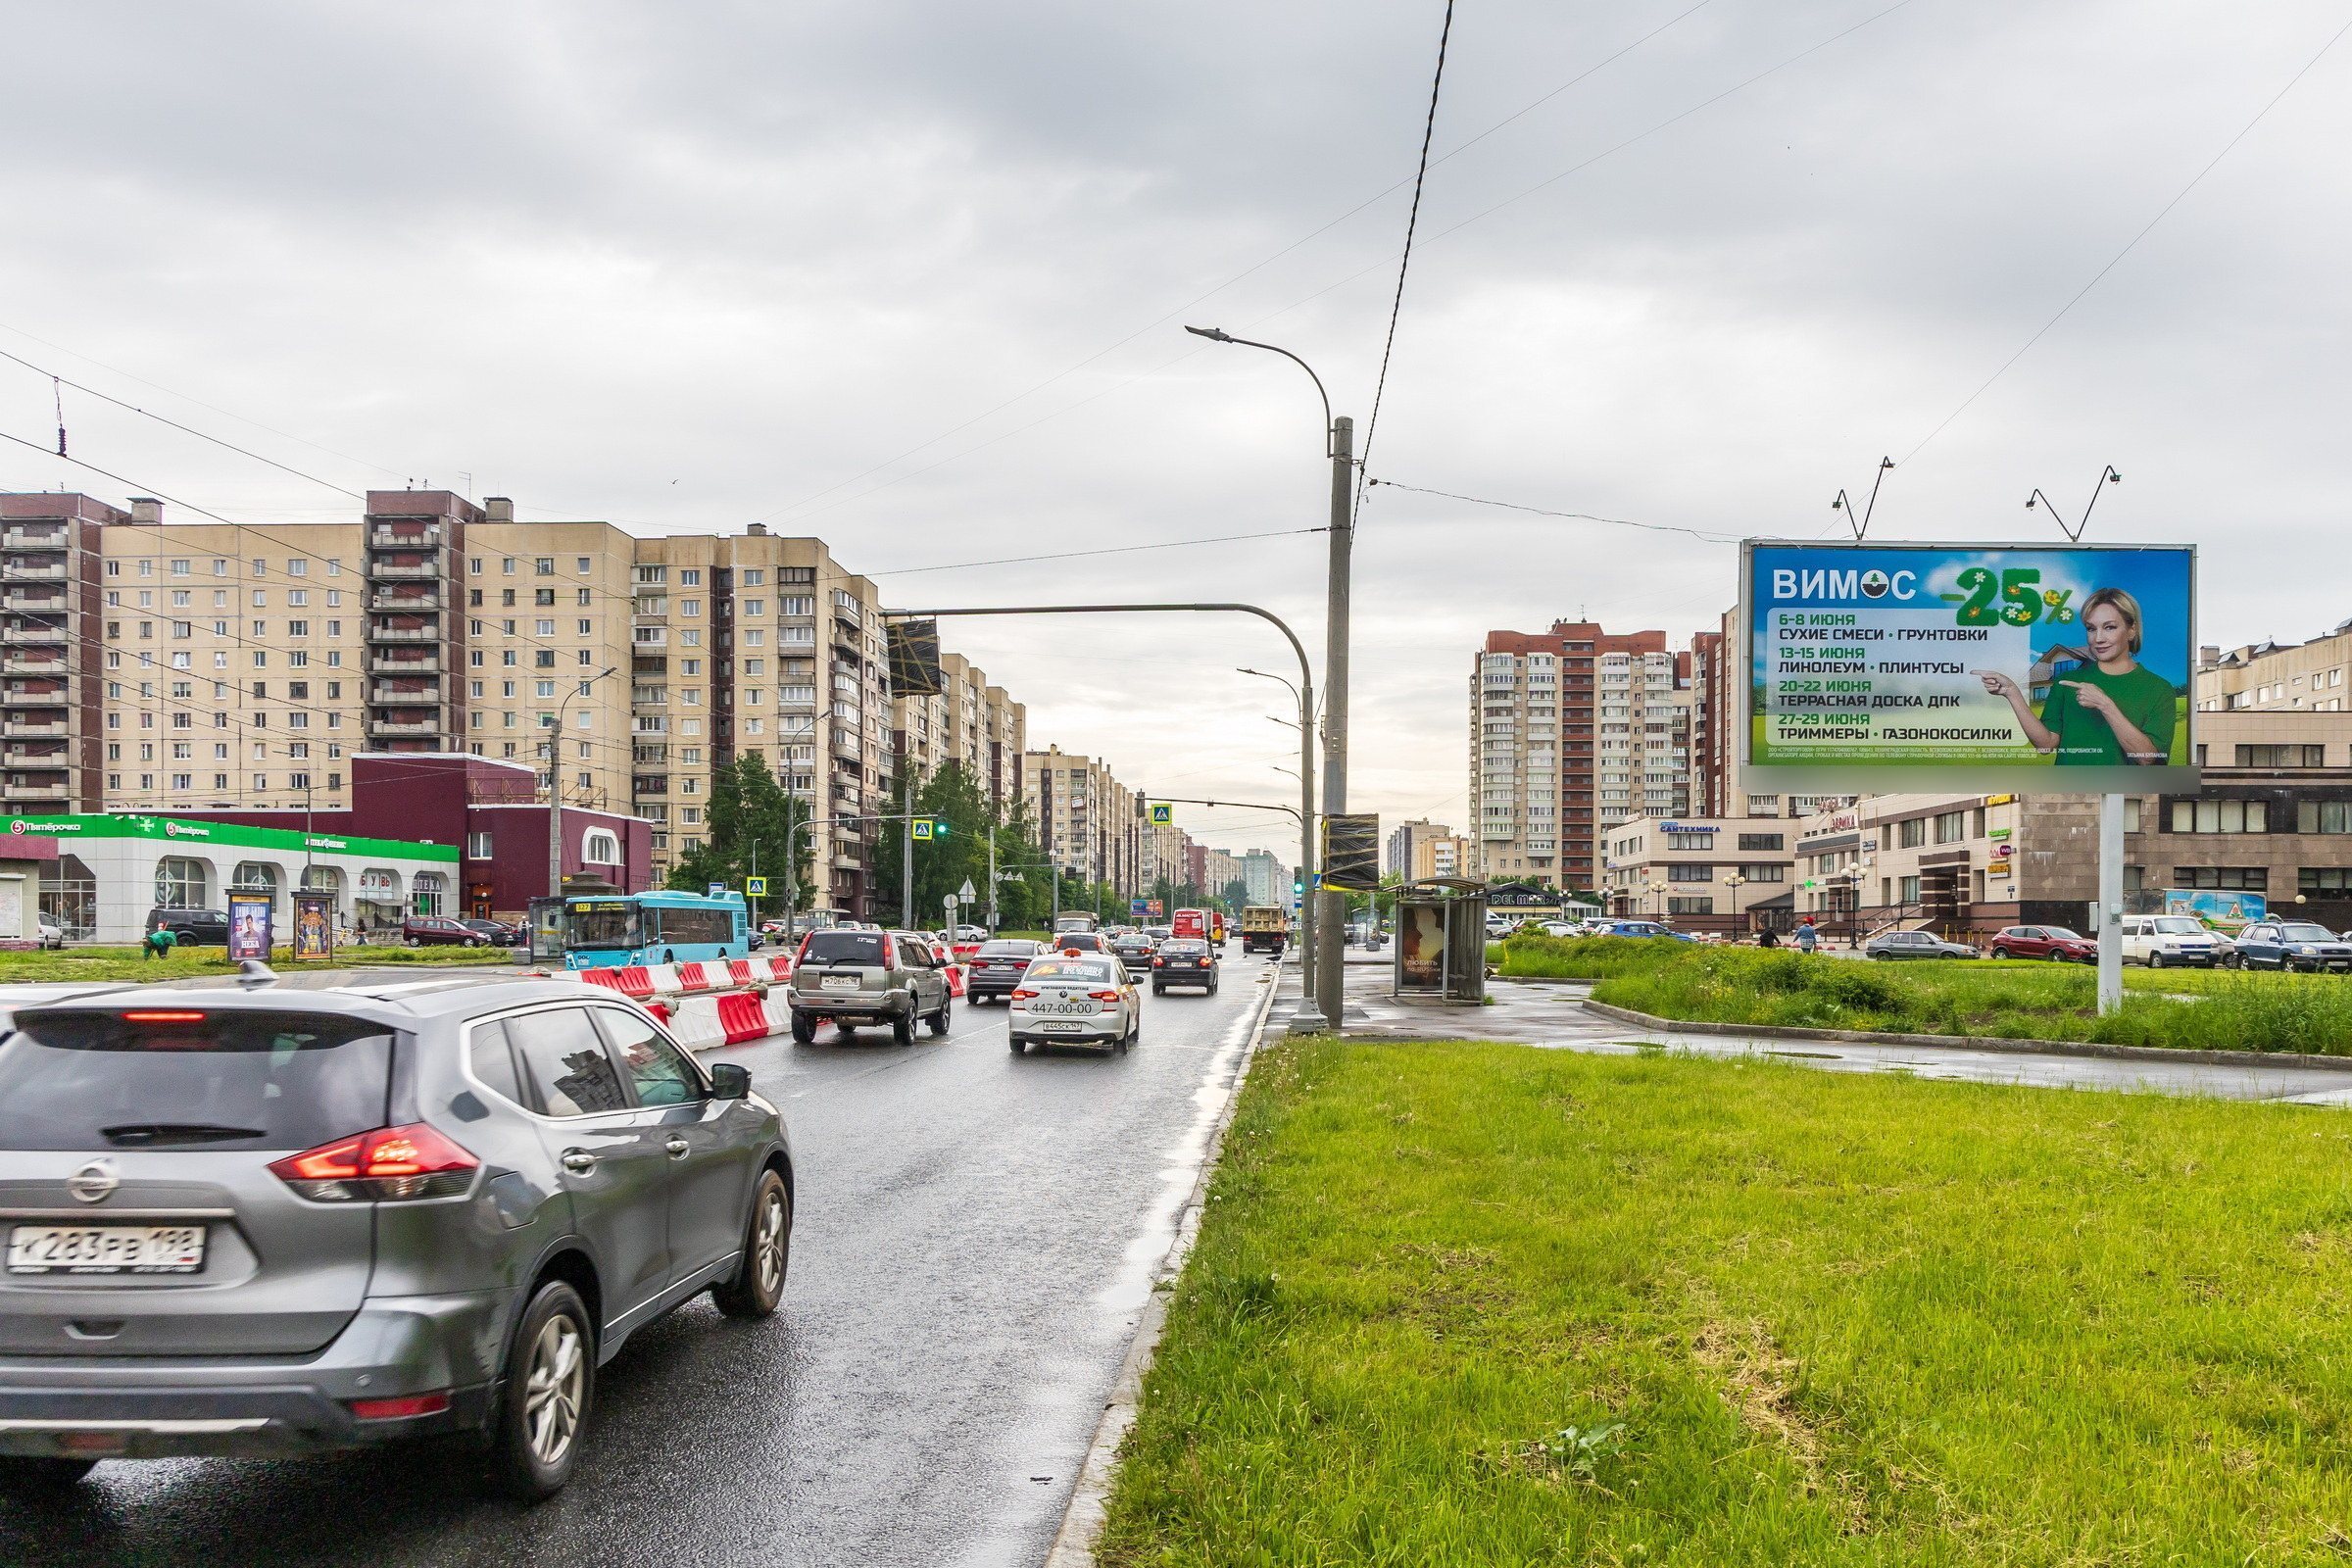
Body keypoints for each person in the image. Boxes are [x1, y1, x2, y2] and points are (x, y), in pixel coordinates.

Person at [1977, 586, 2177, 767]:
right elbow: (2045, 745)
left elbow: (2147, 759)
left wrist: (2105, 705)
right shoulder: (2067, 681)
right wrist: (2012, 693)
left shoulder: (2159, 689)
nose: (2098, 639)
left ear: (2131, 630)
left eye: (2110, 627)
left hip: (2126, 799)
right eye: (2091, 629)